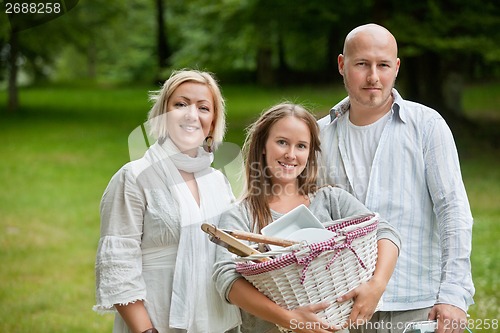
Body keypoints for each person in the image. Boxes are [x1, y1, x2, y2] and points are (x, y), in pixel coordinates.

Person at [317, 23, 474, 333]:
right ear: (342, 65)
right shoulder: (319, 136)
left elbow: (453, 210)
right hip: (342, 308)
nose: (373, 76)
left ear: (396, 67)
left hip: (416, 303)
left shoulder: (427, 126)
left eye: (383, 65)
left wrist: (454, 294)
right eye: (362, 64)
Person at [213, 102, 401, 333]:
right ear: (262, 145)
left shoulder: (331, 201)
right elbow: (227, 279)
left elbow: (385, 231)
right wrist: (290, 319)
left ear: (310, 153)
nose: (291, 154)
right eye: (282, 142)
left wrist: (377, 285)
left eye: (301, 146)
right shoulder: (240, 216)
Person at [93, 69, 241, 333]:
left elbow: (234, 252)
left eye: (203, 107)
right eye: (181, 104)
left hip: (218, 322)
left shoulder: (219, 181)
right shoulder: (134, 177)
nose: (191, 115)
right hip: (155, 321)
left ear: (213, 119)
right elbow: (118, 264)